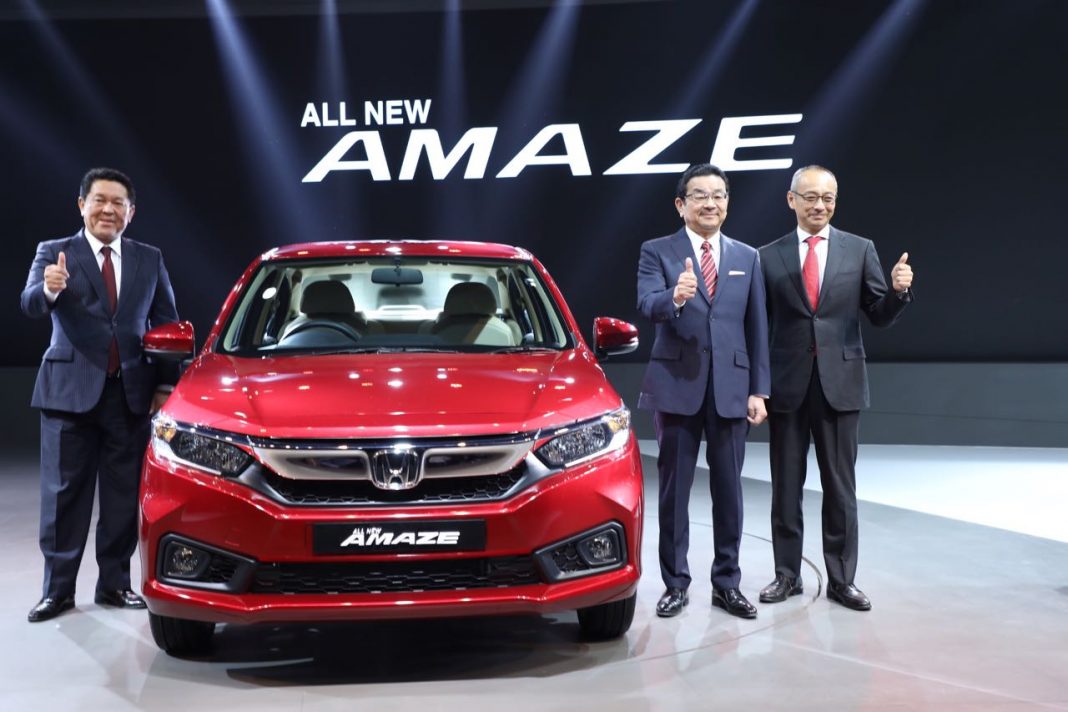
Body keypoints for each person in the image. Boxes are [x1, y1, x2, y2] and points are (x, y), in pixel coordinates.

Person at [20, 167, 179, 622]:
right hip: (68, 394)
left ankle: (114, 584)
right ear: (82, 205)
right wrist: (49, 289)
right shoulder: (55, 252)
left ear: (131, 212)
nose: (108, 210)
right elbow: (29, 303)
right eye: (99, 200)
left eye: (118, 203)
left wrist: (165, 384)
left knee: (122, 497)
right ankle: (57, 591)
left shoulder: (149, 258)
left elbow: (167, 324)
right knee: (63, 498)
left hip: (130, 395)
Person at [757, 165, 913, 611]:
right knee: (786, 487)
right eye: (810, 197)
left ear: (835, 202)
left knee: (841, 488)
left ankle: (843, 580)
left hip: (840, 385)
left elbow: (878, 315)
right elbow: (758, 326)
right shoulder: (766, 256)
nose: (819, 205)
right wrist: (757, 387)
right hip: (786, 386)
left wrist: (898, 293)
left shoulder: (860, 249)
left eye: (827, 198)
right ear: (791, 200)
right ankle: (787, 575)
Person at [637, 163, 770, 619]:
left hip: (732, 389)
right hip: (676, 387)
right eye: (700, 195)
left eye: (718, 195)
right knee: (674, 492)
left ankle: (727, 583)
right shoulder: (657, 251)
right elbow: (647, 304)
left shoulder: (747, 256)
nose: (710, 203)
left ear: (727, 202)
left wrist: (759, 390)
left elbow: (757, 328)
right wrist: (675, 296)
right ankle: (675, 583)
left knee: (729, 491)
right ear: (681, 204)